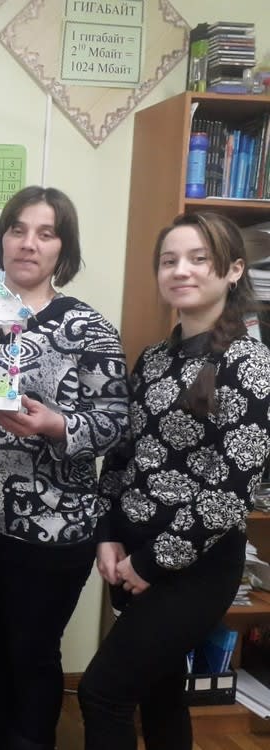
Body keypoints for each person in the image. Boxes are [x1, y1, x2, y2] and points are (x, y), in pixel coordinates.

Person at [0, 186, 129, 750]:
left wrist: (56, 425)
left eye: (46, 234)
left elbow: (115, 423)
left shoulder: (89, 328)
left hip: (54, 528)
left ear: (62, 248)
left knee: (32, 653)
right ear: (1, 239)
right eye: (18, 230)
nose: (29, 243)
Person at [79, 212, 270, 750]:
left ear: (233, 270)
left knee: (102, 693)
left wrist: (150, 563)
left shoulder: (250, 363)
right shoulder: (156, 357)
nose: (180, 270)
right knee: (159, 693)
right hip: (132, 554)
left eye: (198, 259)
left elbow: (230, 494)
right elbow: (124, 454)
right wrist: (107, 535)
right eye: (169, 261)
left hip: (193, 569)